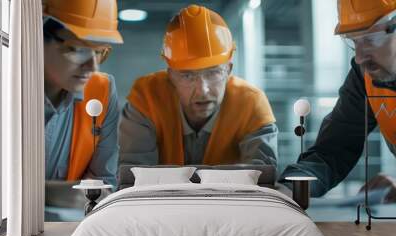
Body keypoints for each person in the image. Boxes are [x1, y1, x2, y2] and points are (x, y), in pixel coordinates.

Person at [119, 5, 278, 167]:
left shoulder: (251, 104)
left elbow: (263, 177)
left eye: (213, 73)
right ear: (171, 76)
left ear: (228, 70)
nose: (203, 90)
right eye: (187, 76)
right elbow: (133, 177)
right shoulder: (146, 99)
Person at [279, 0, 396, 197]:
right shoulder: (364, 78)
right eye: (354, 41)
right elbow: (332, 151)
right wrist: (290, 189)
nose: (359, 57)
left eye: (371, 39)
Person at [43, 0, 123, 208]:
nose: (92, 67)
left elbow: (103, 184)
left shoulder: (102, 90)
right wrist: (46, 193)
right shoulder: (4, 88)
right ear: (37, 37)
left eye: (99, 52)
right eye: (77, 49)